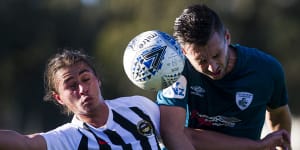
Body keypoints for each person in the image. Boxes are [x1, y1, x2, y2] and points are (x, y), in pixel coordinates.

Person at [156, 4, 292, 150]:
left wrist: (282, 146)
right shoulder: (175, 71)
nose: (213, 67)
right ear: (184, 52)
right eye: (202, 61)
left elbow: (278, 114)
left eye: (216, 55)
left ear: (227, 37)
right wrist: (257, 146)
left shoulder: (266, 69)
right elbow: (173, 133)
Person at [0, 49, 161, 150]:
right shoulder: (67, 139)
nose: (83, 89)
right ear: (59, 98)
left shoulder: (139, 107)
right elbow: (25, 143)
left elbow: (178, 132)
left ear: (98, 80)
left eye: (86, 79)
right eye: (71, 86)